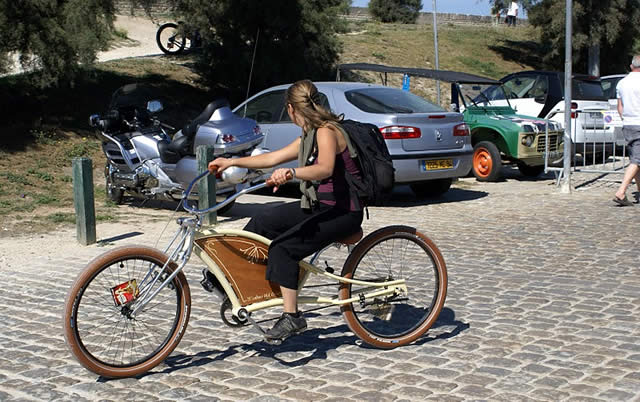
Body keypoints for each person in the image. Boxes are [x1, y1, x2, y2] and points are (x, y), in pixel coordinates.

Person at [209, 80, 364, 341]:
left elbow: (325, 168)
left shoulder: (326, 132)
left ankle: (292, 317)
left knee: (283, 248)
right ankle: (243, 282)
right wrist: (232, 161)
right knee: (262, 222)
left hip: (343, 211)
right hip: (320, 206)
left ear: (291, 109)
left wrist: (292, 172)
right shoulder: (309, 134)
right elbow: (271, 158)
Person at [613, 55, 640, 206]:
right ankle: (621, 191)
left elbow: (620, 106)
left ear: (631, 66)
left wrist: (625, 119)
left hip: (628, 124)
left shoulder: (621, 83)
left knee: (635, 160)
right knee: (637, 160)